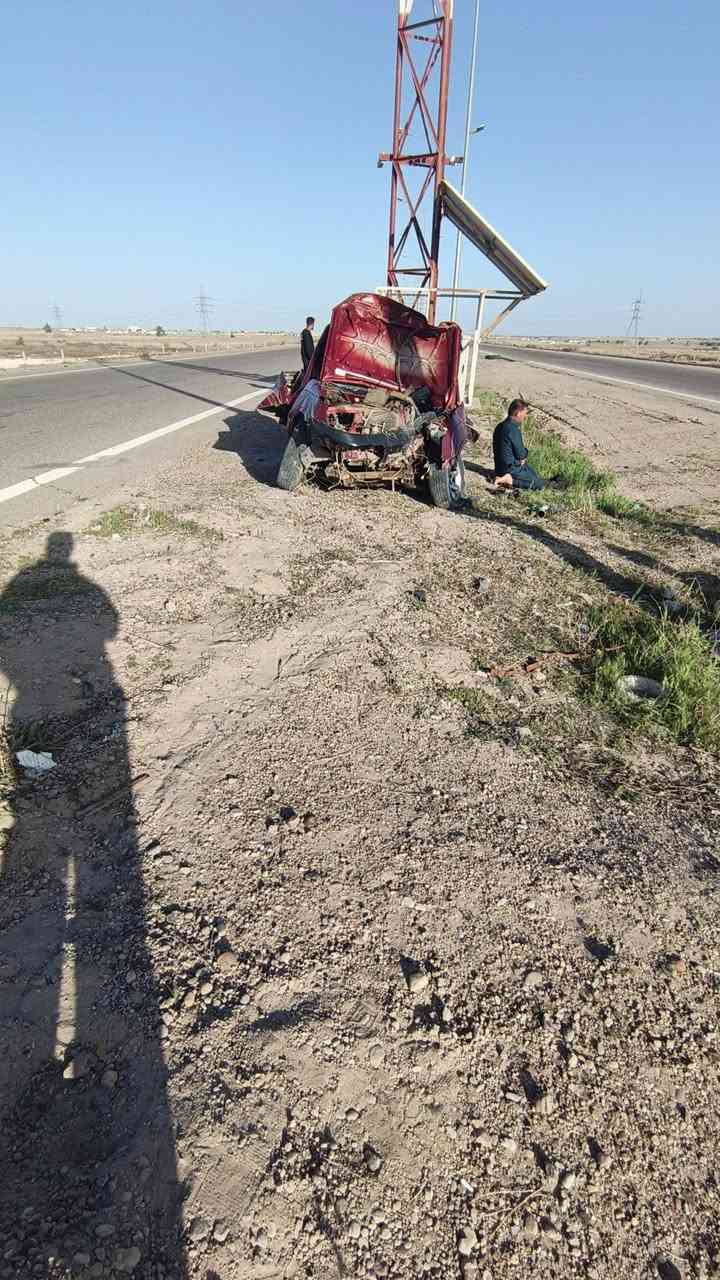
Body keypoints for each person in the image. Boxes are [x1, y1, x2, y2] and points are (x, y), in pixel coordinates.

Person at [493, 397, 544, 491]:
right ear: (518, 413)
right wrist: (525, 453)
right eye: (525, 413)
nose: (525, 416)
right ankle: (510, 480)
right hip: (510, 469)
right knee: (539, 484)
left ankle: (507, 478)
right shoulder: (513, 429)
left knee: (534, 474)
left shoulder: (500, 426)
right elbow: (521, 455)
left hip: (499, 468)